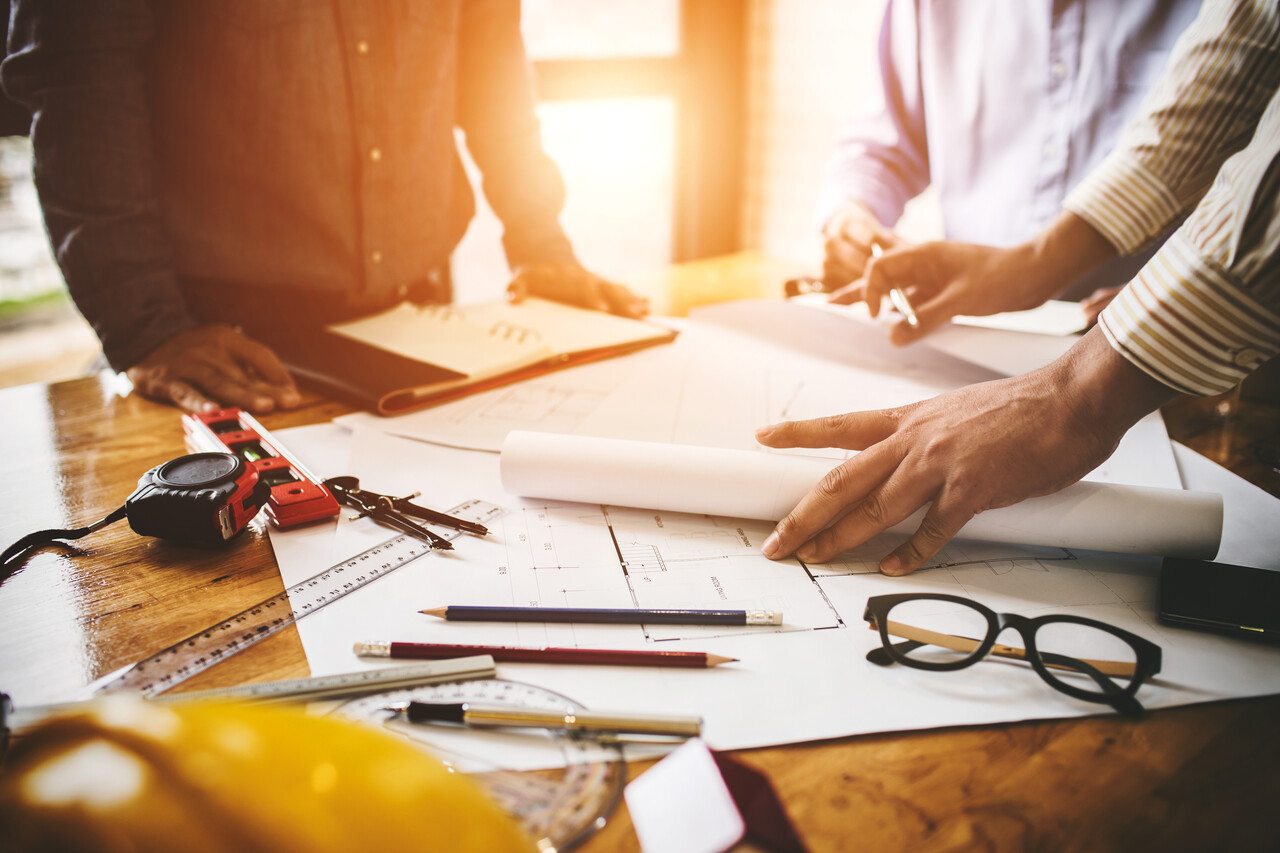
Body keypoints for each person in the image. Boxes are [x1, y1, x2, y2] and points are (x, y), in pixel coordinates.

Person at [760, 0, 1280, 575]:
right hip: (1009, 346)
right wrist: (1035, 265)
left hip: (1198, 381)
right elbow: (1225, 84)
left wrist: (1079, 393)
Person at [1, 1, 646, 414]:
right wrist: (147, 327)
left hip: (421, 318)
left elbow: (493, 66)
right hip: (221, 345)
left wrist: (540, 243)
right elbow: (81, 84)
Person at [818, 0, 1199, 308]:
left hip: (1150, 342)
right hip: (968, 328)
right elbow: (886, 142)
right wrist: (851, 217)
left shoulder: (1220, 16)